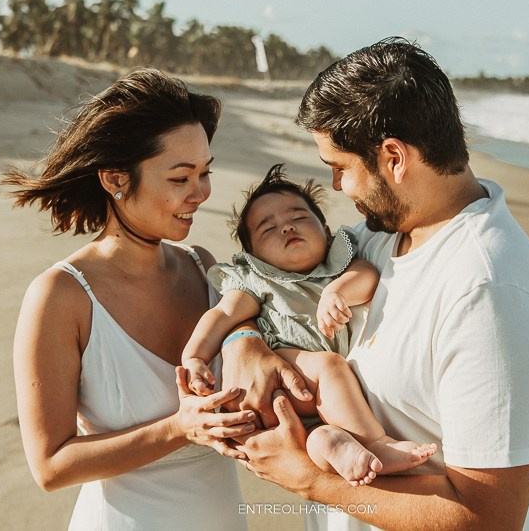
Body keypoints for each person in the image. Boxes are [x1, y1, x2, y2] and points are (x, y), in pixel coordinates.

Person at [223, 38, 529, 531]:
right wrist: (244, 341)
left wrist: (310, 481)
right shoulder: (381, 237)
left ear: (394, 157)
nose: (338, 188)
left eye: (340, 168)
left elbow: (489, 519)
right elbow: (279, 286)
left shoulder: (489, 292)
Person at [5, 69, 256, 530]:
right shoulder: (60, 296)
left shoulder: (202, 267)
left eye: (205, 172)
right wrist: (180, 428)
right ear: (116, 179)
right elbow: (50, 465)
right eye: (180, 177)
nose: (201, 192)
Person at [180, 164, 436, 487]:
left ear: (326, 231)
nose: (286, 228)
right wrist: (194, 357)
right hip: (287, 369)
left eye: (298, 218)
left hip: (316, 397)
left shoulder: (338, 264)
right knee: (330, 365)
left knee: (322, 437)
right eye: (267, 228)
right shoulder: (258, 281)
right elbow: (220, 316)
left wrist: (336, 291)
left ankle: (336, 447)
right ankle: (377, 443)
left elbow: (368, 278)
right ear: (253, 254)